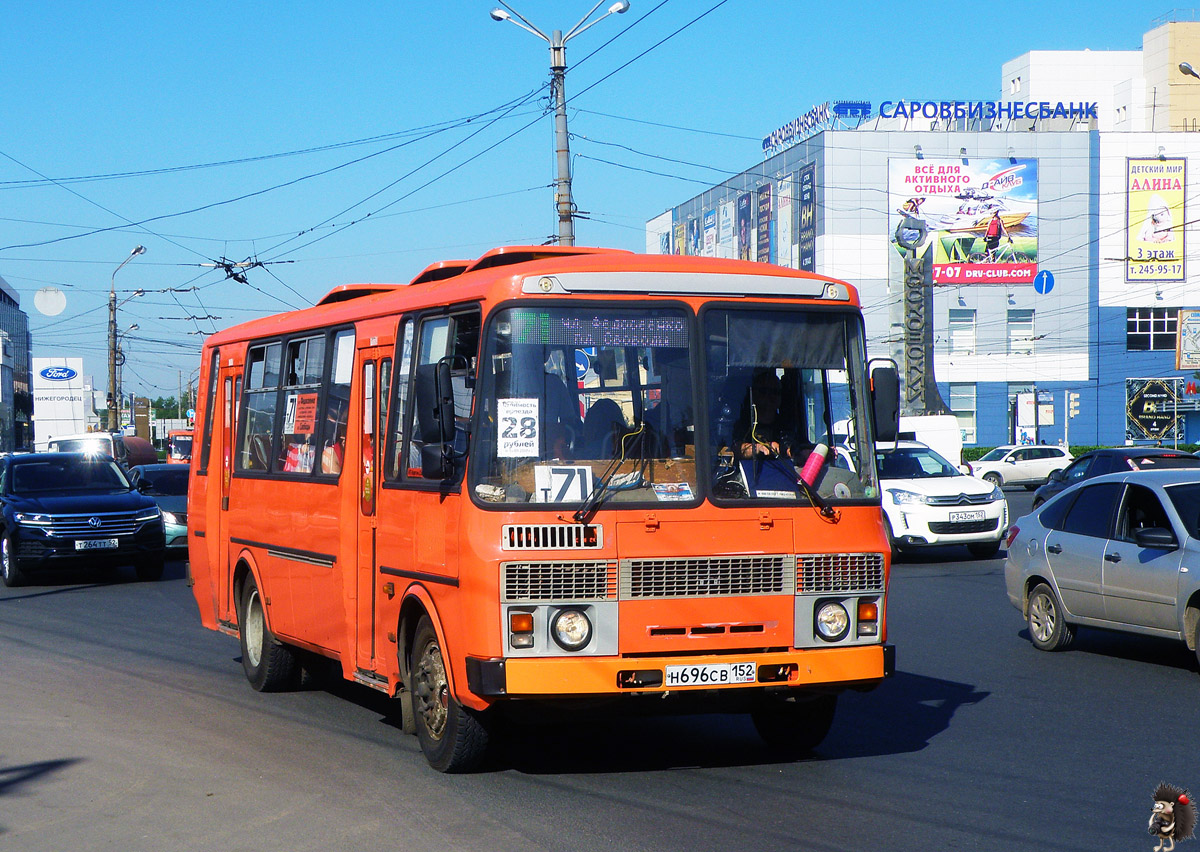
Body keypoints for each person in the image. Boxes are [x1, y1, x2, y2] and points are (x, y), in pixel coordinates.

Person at [736, 370, 793, 459]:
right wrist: (759, 448)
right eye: (763, 391)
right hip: (750, 471)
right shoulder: (743, 423)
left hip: (784, 471)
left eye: (775, 392)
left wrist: (796, 452)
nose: (770, 396)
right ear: (753, 394)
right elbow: (734, 449)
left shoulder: (787, 424)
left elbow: (797, 447)